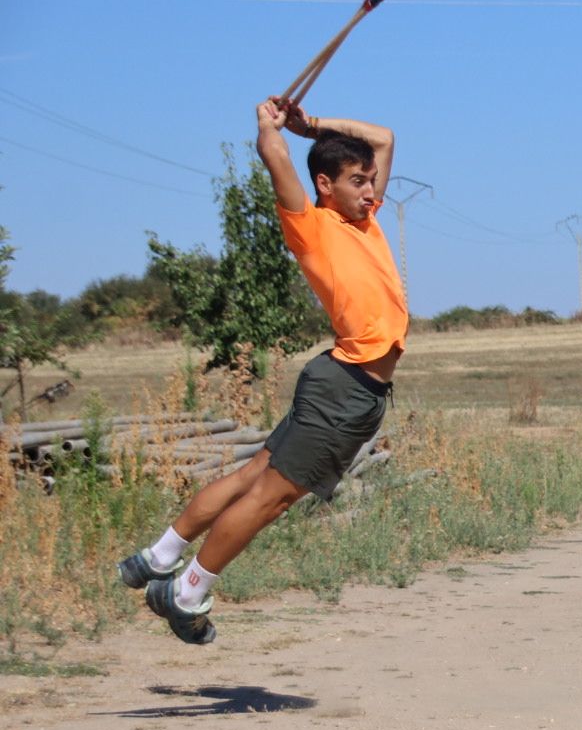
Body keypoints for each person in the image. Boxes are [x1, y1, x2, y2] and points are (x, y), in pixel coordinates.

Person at [118, 98, 404, 645]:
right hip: (346, 388)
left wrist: (312, 123)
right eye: (356, 181)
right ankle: (186, 593)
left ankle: (160, 555)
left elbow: (385, 137)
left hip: (342, 382)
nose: (370, 191)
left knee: (254, 476)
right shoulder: (312, 226)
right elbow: (273, 153)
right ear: (324, 184)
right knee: (270, 497)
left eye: (370, 181)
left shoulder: (366, 222)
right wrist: (270, 128)